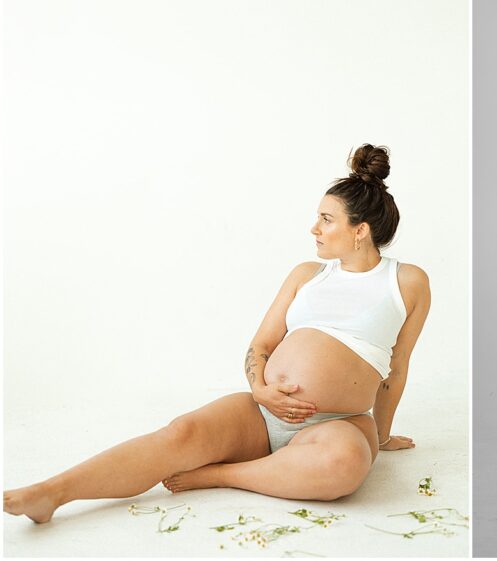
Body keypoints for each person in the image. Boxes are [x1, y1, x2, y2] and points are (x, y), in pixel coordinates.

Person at [4, 144, 431, 523]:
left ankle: (220, 474)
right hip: (263, 413)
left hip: (339, 423)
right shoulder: (307, 274)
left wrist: (381, 434)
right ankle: (53, 493)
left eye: (325, 219)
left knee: (344, 464)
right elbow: (261, 345)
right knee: (179, 435)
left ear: (360, 230)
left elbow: (397, 366)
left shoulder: (407, 282)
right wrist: (259, 390)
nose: (313, 229)